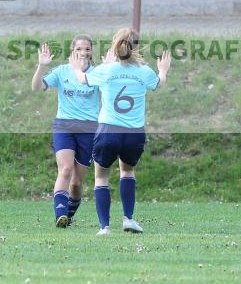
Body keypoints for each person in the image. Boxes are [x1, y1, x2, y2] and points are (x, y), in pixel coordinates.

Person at [69, 28, 171, 235]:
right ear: (136, 48)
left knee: (101, 177)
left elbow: (83, 79)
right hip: (134, 133)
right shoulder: (144, 71)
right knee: (127, 171)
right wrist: (163, 69)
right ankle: (128, 219)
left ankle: (104, 227)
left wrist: (76, 68)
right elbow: (159, 83)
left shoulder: (106, 70)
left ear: (115, 46)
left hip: (108, 130)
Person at [31, 36, 100, 228]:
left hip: (88, 130)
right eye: (79, 49)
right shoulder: (62, 71)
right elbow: (36, 87)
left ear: (91, 51)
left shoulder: (96, 73)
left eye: (87, 49)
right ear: (72, 50)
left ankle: (67, 216)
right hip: (64, 126)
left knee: (76, 182)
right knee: (66, 169)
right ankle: (60, 214)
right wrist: (41, 65)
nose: (83, 52)